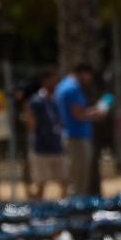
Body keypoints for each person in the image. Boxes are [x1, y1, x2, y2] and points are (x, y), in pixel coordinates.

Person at [56, 62, 98, 196]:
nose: (90, 79)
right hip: (77, 138)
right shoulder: (72, 88)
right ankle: (77, 211)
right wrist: (97, 113)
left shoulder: (63, 86)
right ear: (83, 73)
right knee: (79, 177)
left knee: (75, 175)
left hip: (72, 136)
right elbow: (78, 114)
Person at [25, 69, 66, 198]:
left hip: (57, 146)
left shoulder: (57, 100)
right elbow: (31, 124)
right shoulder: (35, 101)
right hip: (41, 147)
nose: (56, 84)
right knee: (41, 183)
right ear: (44, 81)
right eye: (53, 80)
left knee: (64, 181)